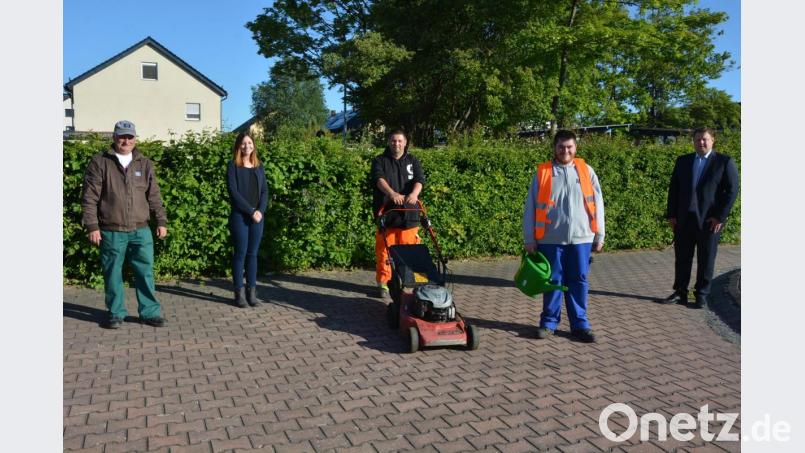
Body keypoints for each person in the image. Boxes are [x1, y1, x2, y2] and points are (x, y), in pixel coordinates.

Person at [81, 120, 168, 329]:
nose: (126, 140)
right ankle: (115, 313)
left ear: (135, 139)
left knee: (145, 272)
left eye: (129, 137)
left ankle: (149, 312)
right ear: (114, 137)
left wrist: (161, 220)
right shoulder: (100, 163)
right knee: (112, 274)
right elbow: (89, 197)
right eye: (122, 136)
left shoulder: (144, 163)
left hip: (141, 230)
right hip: (111, 231)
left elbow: (154, 195)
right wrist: (92, 226)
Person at [522, 130, 605, 343]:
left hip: (582, 238)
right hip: (550, 239)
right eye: (561, 147)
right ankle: (548, 323)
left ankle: (580, 325)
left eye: (569, 147)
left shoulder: (586, 171)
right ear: (554, 148)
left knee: (579, 280)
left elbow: (598, 205)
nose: (565, 151)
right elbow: (530, 207)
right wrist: (529, 238)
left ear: (575, 148)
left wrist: (599, 235)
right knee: (553, 281)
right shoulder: (543, 173)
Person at [661, 127, 738, 308]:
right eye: (697, 140)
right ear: (693, 142)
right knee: (682, 258)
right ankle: (680, 292)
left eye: (704, 139)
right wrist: (672, 214)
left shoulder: (724, 162)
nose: (701, 143)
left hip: (709, 221)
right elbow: (674, 189)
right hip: (684, 219)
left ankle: (702, 294)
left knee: (706, 258)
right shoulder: (683, 161)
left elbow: (732, 191)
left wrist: (719, 216)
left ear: (712, 140)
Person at [371, 129, 426, 298]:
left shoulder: (412, 160)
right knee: (384, 252)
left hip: (409, 215)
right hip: (387, 213)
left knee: (412, 251)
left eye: (400, 141)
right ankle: (384, 283)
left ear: (405, 142)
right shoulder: (380, 161)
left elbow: (420, 180)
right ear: (389, 142)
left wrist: (414, 194)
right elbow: (379, 179)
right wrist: (391, 194)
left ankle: (413, 282)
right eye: (393, 141)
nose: (396, 144)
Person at [226, 131, 269, 308]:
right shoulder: (232, 166)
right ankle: (239, 293)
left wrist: (260, 210)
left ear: (254, 145)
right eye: (244, 143)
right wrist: (251, 211)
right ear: (238, 146)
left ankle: (252, 292)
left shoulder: (259, 167)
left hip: (257, 218)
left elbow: (265, 191)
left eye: (250, 143)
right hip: (240, 217)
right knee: (241, 254)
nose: (247, 146)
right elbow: (233, 193)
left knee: (252, 254)